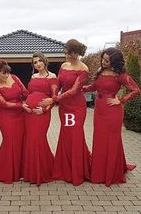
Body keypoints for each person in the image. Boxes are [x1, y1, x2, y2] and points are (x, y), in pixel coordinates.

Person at [83, 47, 141, 186]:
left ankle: (111, 173)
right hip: (99, 109)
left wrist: (120, 100)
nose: (103, 62)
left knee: (112, 140)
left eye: (107, 60)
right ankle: (100, 170)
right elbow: (94, 87)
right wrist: (80, 88)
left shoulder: (120, 75)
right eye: (103, 59)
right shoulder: (101, 71)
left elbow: (136, 90)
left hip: (112, 111)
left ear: (114, 61)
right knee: (100, 139)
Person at [40, 39, 91, 186]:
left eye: (69, 54)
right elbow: (59, 84)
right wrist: (51, 92)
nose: (67, 56)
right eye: (65, 53)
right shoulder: (63, 65)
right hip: (64, 106)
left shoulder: (84, 69)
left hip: (76, 107)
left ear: (76, 52)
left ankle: (77, 171)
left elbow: (75, 90)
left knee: (75, 135)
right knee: (66, 134)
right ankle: (63, 169)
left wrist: (54, 99)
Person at [0, 60, 29, 184]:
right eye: (3, 73)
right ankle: (9, 171)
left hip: (22, 114)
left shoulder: (15, 77)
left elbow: (25, 92)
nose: (7, 76)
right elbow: (2, 103)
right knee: (10, 141)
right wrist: (20, 105)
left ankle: (22, 171)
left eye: (8, 73)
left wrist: (26, 100)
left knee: (22, 140)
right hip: (7, 116)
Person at [22, 52, 58, 185]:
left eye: (39, 61)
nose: (37, 64)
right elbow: (30, 93)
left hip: (42, 113)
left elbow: (54, 98)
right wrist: (24, 103)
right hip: (29, 113)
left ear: (44, 60)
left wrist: (44, 109)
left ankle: (42, 172)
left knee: (38, 139)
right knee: (31, 140)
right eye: (35, 62)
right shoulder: (33, 76)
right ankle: (30, 172)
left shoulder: (53, 76)